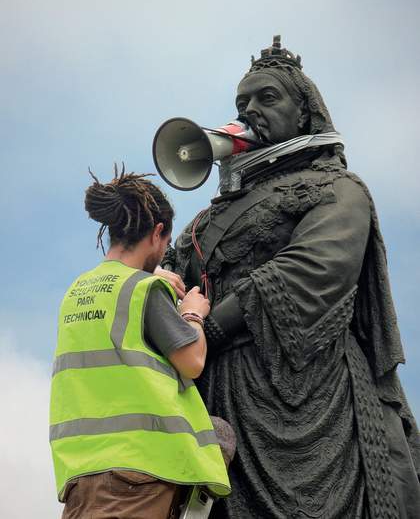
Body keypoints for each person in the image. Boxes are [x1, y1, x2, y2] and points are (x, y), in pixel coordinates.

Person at [166, 36, 420, 518]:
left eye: (268, 98)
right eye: (243, 102)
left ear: (304, 113)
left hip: (314, 391)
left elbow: (312, 269)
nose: (250, 110)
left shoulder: (339, 188)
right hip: (221, 394)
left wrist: (209, 327)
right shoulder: (207, 217)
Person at [49, 168, 230, 519]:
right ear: (158, 232)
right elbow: (192, 361)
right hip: (138, 474)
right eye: (165, 243)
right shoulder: (144, 290)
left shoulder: (77, 291)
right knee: (221, 436)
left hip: (81, 477)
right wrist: (192, 313)